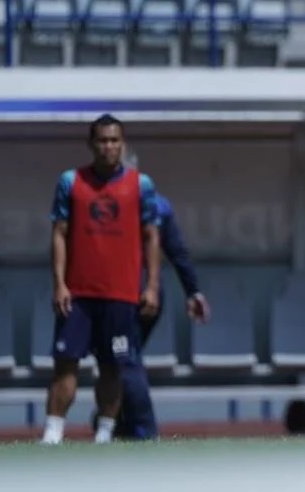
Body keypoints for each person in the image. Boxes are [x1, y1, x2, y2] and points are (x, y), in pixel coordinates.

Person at [41, 114, 161, 445]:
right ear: (91, 144)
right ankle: (53, 432)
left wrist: (150, 286)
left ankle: (105, 433)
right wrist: (59, 283)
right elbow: (59, 234)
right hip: (77, 294)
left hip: (121, 294)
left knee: (112, 367)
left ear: (122, 144)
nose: (109, 147)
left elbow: (152, 237)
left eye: (114, 140)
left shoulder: (141, 185)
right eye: (102, 140)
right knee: (65, 363)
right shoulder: (71, 181)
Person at [105, 148, 210, 440]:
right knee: (123, 355)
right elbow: (178, 252)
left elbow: (175, 250)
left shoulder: (123, 202)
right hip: (147, 294)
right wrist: (193, 292)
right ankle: (123, 423)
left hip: (130, 293)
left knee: (124, 356)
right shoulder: (159, 202)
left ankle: (144, 429)